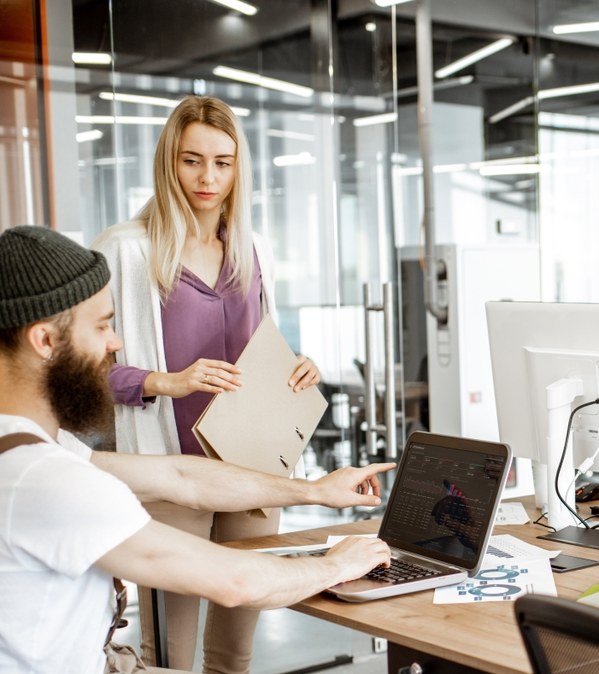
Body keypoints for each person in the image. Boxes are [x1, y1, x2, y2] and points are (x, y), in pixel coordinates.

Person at [0, 225, 393, 673]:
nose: (116, 343)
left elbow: (181, 477)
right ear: (45, 340)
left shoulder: (35, 450)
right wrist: (337, 565)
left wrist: (314, 491)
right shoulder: (48, 482)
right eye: (103, 325)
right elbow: (236, 581)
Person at [91, 95, 320, 672]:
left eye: (223, 161)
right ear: (170, 162)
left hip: (253, 470)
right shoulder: (128, 250)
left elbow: (262, 349)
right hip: (174, 475)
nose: (208, 177)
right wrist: (167, 381)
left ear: (239, 167)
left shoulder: (253, 249)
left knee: (235, 652)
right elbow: (86, 368)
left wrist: (298, 365)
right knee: (169, 655)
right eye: (193, 160)